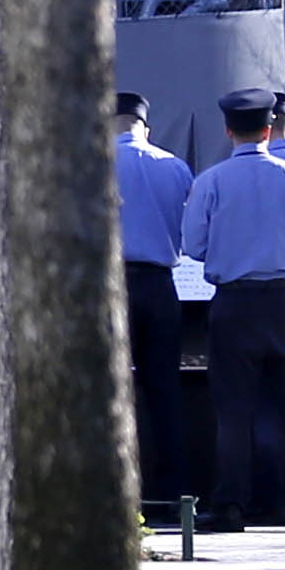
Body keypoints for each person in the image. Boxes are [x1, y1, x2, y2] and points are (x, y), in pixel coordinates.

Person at [181, 86, 285, 531]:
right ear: (270, 128)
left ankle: (231, 505)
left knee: (234, 409)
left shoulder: (211, 182)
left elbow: (194, 246)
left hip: (234, 302)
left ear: (228, 130)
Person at [108, 88, 194, 508]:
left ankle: (112, 485)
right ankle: (172, 488)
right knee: (163, 389)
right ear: (147, 128)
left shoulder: (91, 165)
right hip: (160, 284)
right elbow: (189, 231)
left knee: (106, 387)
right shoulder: (176, 168)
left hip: (107, 286)